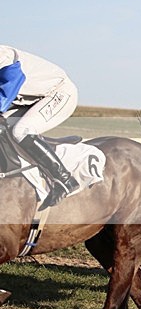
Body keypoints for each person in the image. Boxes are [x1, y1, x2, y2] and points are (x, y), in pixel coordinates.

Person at [0, 45, 79, 209]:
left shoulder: (3, 55)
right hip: (32, 99)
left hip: (59, 93)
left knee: (21, 131)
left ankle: (64, 179)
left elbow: (12, 82)